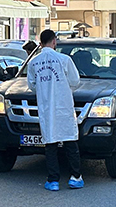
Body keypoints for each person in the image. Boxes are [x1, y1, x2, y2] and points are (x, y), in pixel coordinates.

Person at [26, 29, 83, 191]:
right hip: (64, 106)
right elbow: (75, 81)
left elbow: (32, 86)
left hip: (46, 108)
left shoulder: (33, 63)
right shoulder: (64, 59)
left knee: (50, 143)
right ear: (54, 41)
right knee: (70, 141)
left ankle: (53, 180)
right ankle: (75, 177)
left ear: (40, 42)